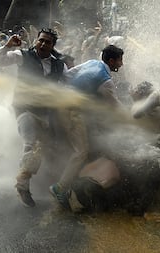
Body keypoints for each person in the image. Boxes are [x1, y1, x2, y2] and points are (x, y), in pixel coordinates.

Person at [0, 28, 67, 207]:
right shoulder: (22, 55)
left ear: (52, 46)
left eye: (47, 42)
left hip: (46, 112)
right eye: (40, 40)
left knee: (44, 147)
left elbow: (67, 85)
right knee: (30, 143)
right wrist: (7, 45)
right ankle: (22, 185)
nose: (42, 44)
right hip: (24, 107)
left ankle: (49, 182)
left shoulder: (59, 65)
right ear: (36, 41)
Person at [49, 45, 124, 209]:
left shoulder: (91, 62)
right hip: (72, 111)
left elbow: (68, 75)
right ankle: (59, 188)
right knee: (81, 151)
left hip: (61, 103)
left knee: (73, 147)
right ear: (111, 61)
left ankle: (66, 181)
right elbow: (116, 107)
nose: (121, 64)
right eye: (120, 60)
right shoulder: (106, 81)